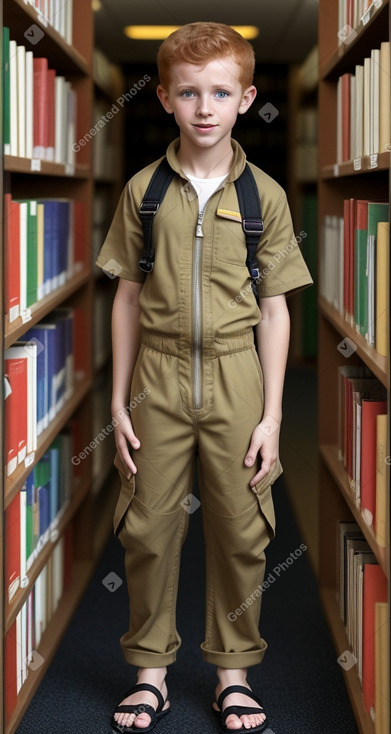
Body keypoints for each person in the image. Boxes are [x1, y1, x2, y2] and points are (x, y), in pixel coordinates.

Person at [96, 21, 313, 734]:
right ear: (163, 97)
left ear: (247, 97)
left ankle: (232, 674)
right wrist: (119, 401)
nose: (204, 107)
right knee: (148, 528)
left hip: (236, 377)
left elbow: (275, 314)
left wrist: (273, 415)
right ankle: (150, 672)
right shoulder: (142, 192)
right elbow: (125, 298)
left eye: (220, 92)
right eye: (188, 93)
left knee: (240, 528)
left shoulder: (265, 199)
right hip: (156, 379)